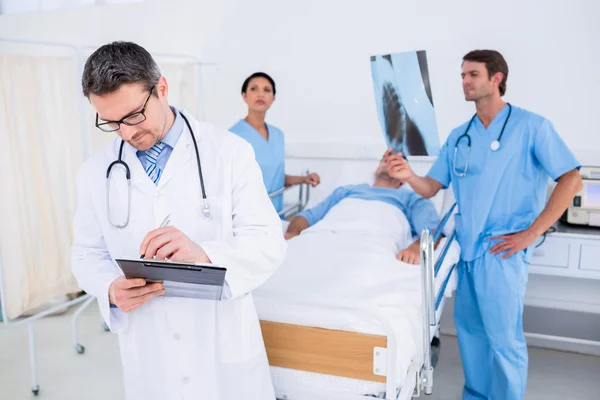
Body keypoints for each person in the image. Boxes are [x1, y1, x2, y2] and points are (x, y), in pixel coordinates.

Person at [70, 41, 286, 400]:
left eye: (133, 115)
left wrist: (203, 253)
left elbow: (269, 241)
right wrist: (109, 288)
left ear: (162, 89)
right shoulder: (96, 172)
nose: (126, 133)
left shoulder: (228, 152)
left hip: (222, 348)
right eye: (110, 123)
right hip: (149, 352)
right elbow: (85, 254)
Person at [387, 49, 583, 400]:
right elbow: (432, 186)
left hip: (504, 250)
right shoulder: (460, 135)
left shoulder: (532, 127)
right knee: (472, 336)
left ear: (497, 78)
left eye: (473, 75)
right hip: (468, 248)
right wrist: (407, 175)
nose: (465, 81)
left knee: (504, 339)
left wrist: (532, 233)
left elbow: (571, 179)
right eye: (462, 75)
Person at [285, 149, 442, 264]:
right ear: (377, 168)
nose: (388, 163)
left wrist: (415, 248)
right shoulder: (346, 191)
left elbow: (432, 230)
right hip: (323, 239)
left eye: (396, 162)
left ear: (404, 175)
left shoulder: (412, 198)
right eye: (385, 160)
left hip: (371, 246)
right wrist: (292, 233)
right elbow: (307, 216)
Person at [229, 72, 321, 215]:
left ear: (273, 98)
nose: (260, 94)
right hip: (246, 217)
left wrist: (303, 179)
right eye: (254, 89)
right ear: (244, 96)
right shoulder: (233, 136)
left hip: (276, 215)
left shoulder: (278, 135)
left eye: (267, 90)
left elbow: (274, 178)